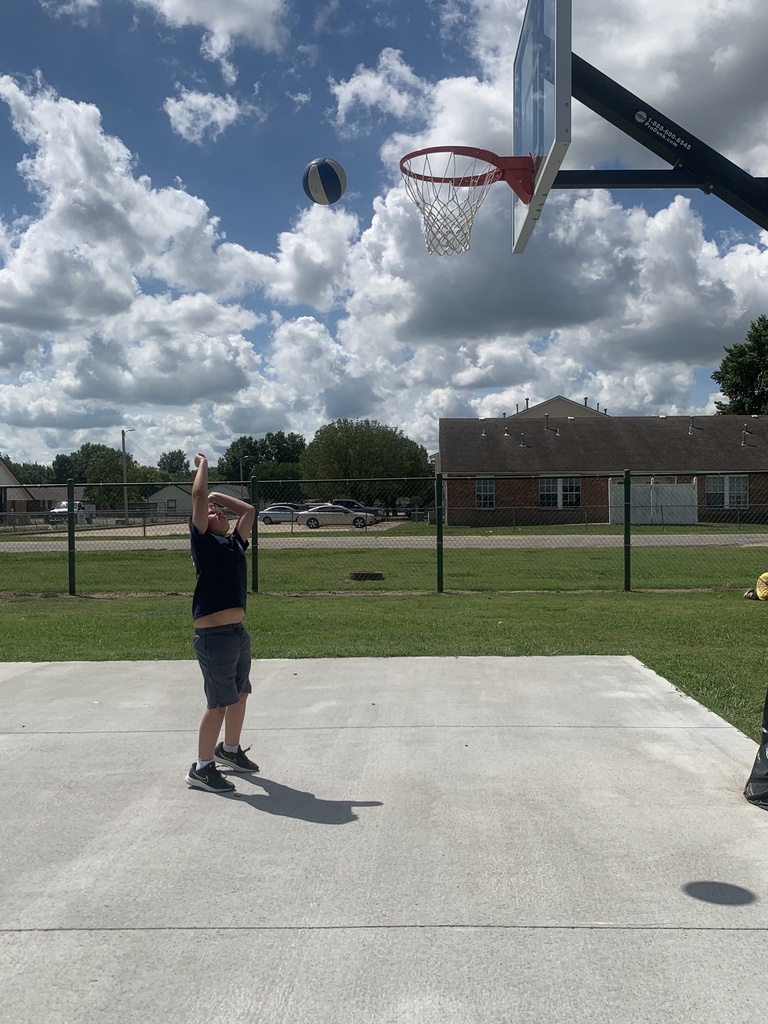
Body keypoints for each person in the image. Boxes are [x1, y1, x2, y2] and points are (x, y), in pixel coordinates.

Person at [185, 452, 259, 794]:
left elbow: (249, 511)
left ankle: (229, 751)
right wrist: (203, 468)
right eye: (213, 513)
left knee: (240, 693)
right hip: (213, 636)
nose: (218, 513)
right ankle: (201, 768)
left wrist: (220, 498)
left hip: (236, 633)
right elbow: (198, 497)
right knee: (218, 703)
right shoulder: (204, 541)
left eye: (220, 512)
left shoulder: (234, 545)